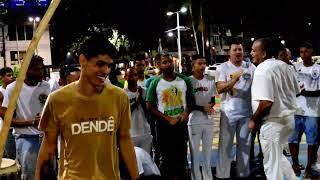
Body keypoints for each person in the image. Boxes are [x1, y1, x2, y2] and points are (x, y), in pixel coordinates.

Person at [36, 34, 139, 180]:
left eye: (109, 65)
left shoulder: (119, 97)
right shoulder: (57, 99)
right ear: (82, 60)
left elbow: (125, 140)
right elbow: (48, 147)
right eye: (100, 64)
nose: (106, 71)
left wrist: (135, 177)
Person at [249, 38, 300, 180]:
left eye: (254, 50)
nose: (251, 53)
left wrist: (254, 120)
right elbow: (297, 90)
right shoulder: (285, 66)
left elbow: (266, 102)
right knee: (277, 157)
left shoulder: (262, 69)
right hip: (288, 121)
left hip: (272, 123)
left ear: (264, 53)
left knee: (272, 166)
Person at [1, 55, 51, 180]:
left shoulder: (46, 86)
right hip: (26, 139)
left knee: (49, 174)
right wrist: (32, 122)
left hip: (47, 138)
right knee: (30, 176)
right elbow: (7, 120)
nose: (41, 72)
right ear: (26, 70)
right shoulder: (13, 88)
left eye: (42, 69)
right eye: (36, 69)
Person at [146, 54, 194, 180]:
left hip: (181, 125)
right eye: (164, 62)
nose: (168, 64)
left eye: (170, 62)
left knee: (181, 157)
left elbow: (191, 101)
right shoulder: (155, 82)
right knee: (166, 159)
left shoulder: (184, 80)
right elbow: (149, 107)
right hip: (163, 126)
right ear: (158, 65)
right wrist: (168, 119)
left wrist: (186, 113)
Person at [215, 40, 255, 179]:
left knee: (245, 146)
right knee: (225, 146)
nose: (238, 52)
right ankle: (222, 175)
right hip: (228, 114)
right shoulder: (223, 68)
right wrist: (235, 79)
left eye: (240, 49)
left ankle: (243, 174)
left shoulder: (251, 67)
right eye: (235, 50)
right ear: (229, 52)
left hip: (247, 114)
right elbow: (220, 89)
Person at [288, 42, 320, 178]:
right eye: (301, 52)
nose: (303, 54)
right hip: (296, 110)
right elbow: (289, 88)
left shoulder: (318, 69)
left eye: (306, 51)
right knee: (292, 140)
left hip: (313, 112)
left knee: (312, 142)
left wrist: (307, 93)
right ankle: (295, 165)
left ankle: (308, 167)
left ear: (312, 52)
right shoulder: (295, 68)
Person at [188, 54, 216, 180]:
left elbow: (213, 99)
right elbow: (187, 103)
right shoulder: (188, 81)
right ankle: (196, 177)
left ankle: (208, 177)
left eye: (204, 63)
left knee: (208, 153)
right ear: (193, 66)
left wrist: (210, 106)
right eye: (199, 63)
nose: (203, 66)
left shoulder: (210, 79)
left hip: (208, 120)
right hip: (194, 121)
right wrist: (201, 108)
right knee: (194, 153)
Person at [124, 67, 152, 153]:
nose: (133, 78)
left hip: (145, 132)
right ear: (126, 77)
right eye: (130, 75)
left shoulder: (144, 91)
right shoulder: (122, 94)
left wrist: (141, 99)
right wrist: (136, 101)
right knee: (134, 163)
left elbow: (149, 111)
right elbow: (124, 114)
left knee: (146, 160)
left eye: (135, 75)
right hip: (131, 134)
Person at [0, 67, 15, 159]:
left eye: (12, 75)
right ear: (1, 77)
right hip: (7, 128)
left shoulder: (16, 89)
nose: (11, 77)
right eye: (8, 75)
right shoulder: (0, 92)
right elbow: (2, 113)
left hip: (18, 128)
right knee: (11, 157)